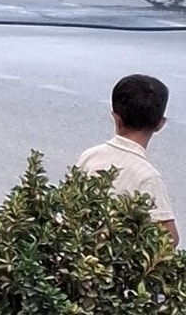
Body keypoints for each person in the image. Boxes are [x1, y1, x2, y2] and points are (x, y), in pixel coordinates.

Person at [76, 74, 178, 246]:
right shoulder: (148, 177)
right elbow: (169, 238)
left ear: (116, 117)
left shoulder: (89, 156)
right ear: (160, 124)